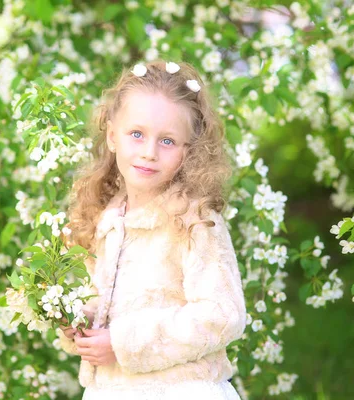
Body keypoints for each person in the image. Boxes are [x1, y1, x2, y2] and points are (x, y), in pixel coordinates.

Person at [57, 59, 247, 400]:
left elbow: (223, 314)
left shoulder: (195, 222)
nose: (148, 152)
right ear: (113, 135)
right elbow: (105, 303)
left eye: (168, 141)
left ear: (189, 151)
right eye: (136, 134)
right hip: (111, 391)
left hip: (180, 390)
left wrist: (121, 344)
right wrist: (79, 321)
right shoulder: (106, 218)